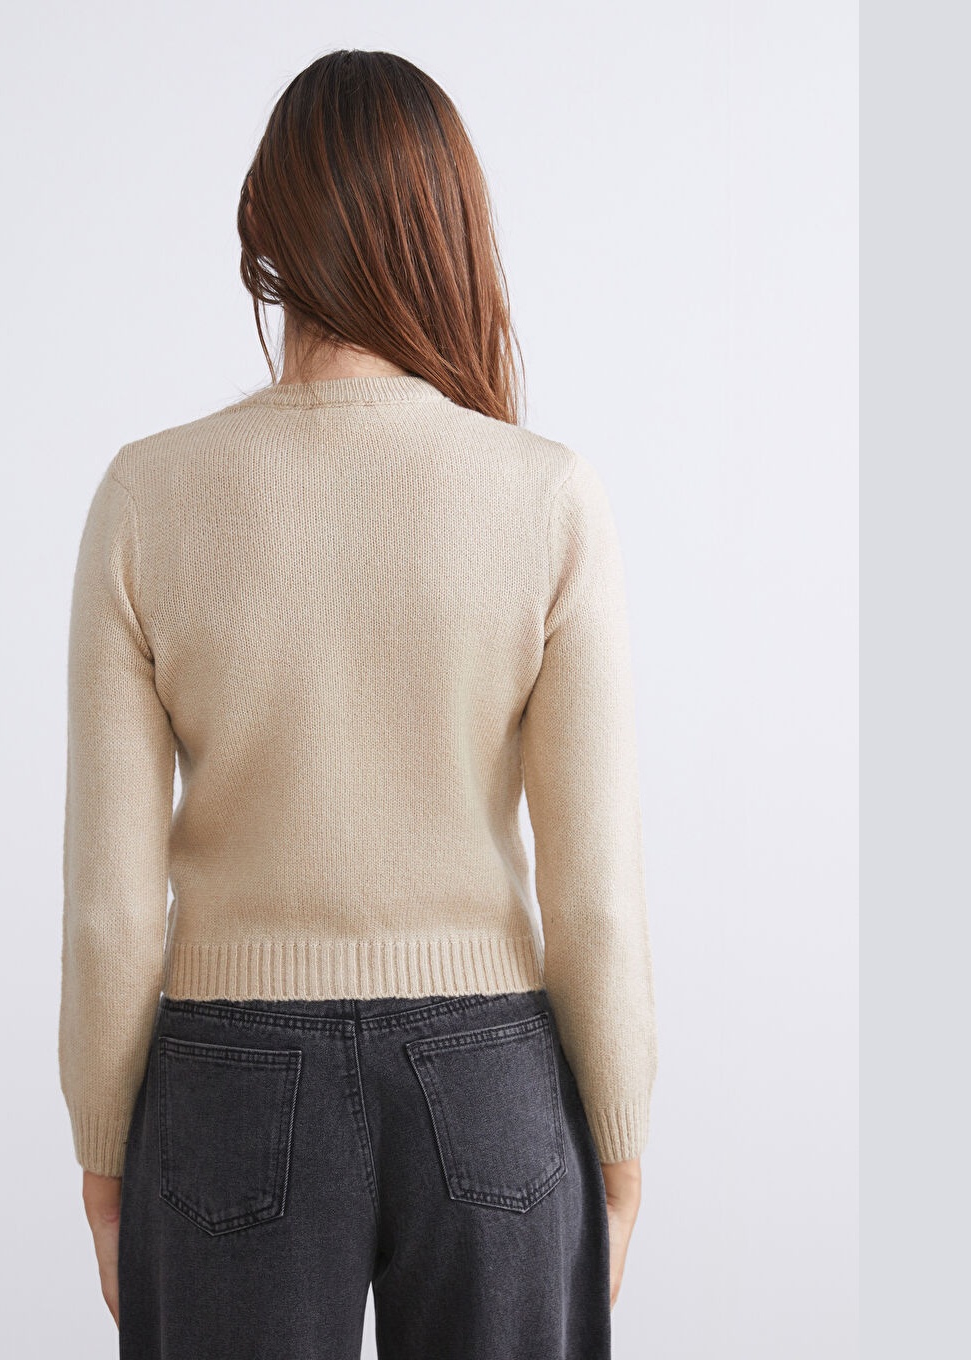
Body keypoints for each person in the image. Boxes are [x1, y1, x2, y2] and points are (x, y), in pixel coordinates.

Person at [60, 48, 657, 1360]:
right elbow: (597, 898)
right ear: (454, 232)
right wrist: (617, 1156)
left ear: (264, 233)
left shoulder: (147, 497)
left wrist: (104, 1164)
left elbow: (112, 912)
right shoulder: (549, 495)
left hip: (225, 1087)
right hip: (492, 1083)